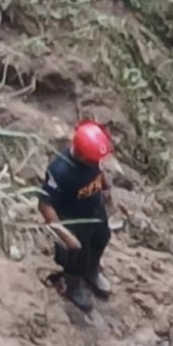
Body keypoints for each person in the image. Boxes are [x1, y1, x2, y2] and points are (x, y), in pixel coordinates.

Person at [37, 120, 114, 312]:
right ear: (80, 154)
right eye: (92, 159)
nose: (95, 162)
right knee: (76, 255)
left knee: (101, 238)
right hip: (73, 218)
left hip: (94, 209)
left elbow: (98, 170)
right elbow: (45, 205)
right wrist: (64, 234)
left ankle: (92, 270)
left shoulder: (92, 159)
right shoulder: (60, 171)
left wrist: (104, 187)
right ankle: (74, 284)